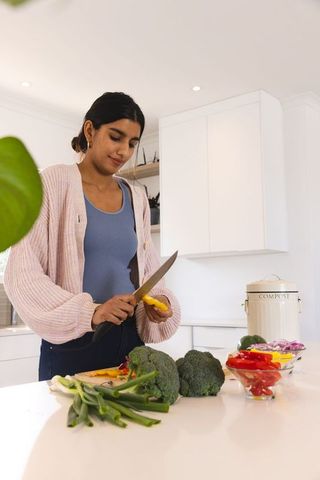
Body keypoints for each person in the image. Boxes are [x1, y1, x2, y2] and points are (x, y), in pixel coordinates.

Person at [4, 92, 180, 380]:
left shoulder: (136, 197)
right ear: (90, 130)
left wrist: (159, 302)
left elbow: (149, 271)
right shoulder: (52, 183)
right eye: (115, 136)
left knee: (132, 425)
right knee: (71, 424)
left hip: (130, 341)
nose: (123, 151)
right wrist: (91, 312)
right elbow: (22, 274)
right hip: (74, 343)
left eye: (132, 143)